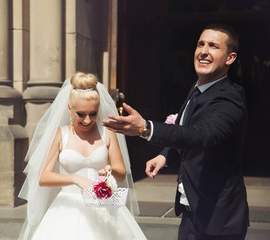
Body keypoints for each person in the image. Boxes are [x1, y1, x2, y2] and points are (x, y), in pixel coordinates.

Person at [103, 23, 249, 239]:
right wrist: (165, 155)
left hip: (218, 219)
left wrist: (145, 129)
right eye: (200, 44)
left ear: (230, 58)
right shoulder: (196, 90)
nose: (204, 51)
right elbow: (184, 130)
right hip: (191, 213)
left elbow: (201, 136)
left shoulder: (230, 98)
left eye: (213, 46)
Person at [18, 72, 147, 240]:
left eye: (93, 114)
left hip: (104, 206)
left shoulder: (107, 132)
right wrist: (75, 179)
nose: (87, 120)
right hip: (68, 208)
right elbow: (44, 177)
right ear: (69, 109)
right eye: (81, 114)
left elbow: (121, 172)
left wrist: (110, 170)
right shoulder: (60, 134)